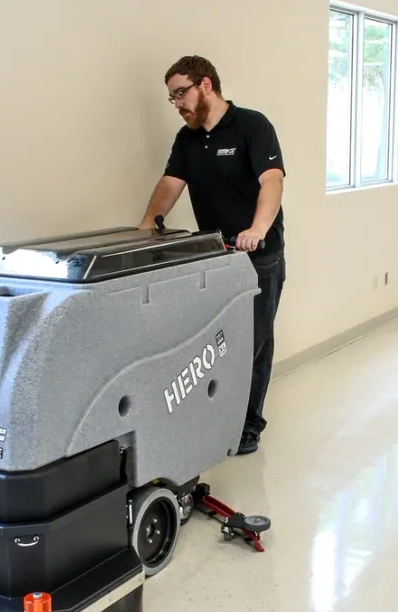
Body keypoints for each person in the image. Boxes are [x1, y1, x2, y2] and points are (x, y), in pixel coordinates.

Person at [139, 55, 286, 456]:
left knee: (253, 342)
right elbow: (170, 184)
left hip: (259, 255)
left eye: (181, 93)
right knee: (215, 342)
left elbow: (272, 181)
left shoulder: (252, 125)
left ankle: (248, 424)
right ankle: (214, 413)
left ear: (206, 85)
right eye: (171, 99)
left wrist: (257, 230)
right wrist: (145, 228)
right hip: (215, 256)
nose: (177, 104)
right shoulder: (187, 139)